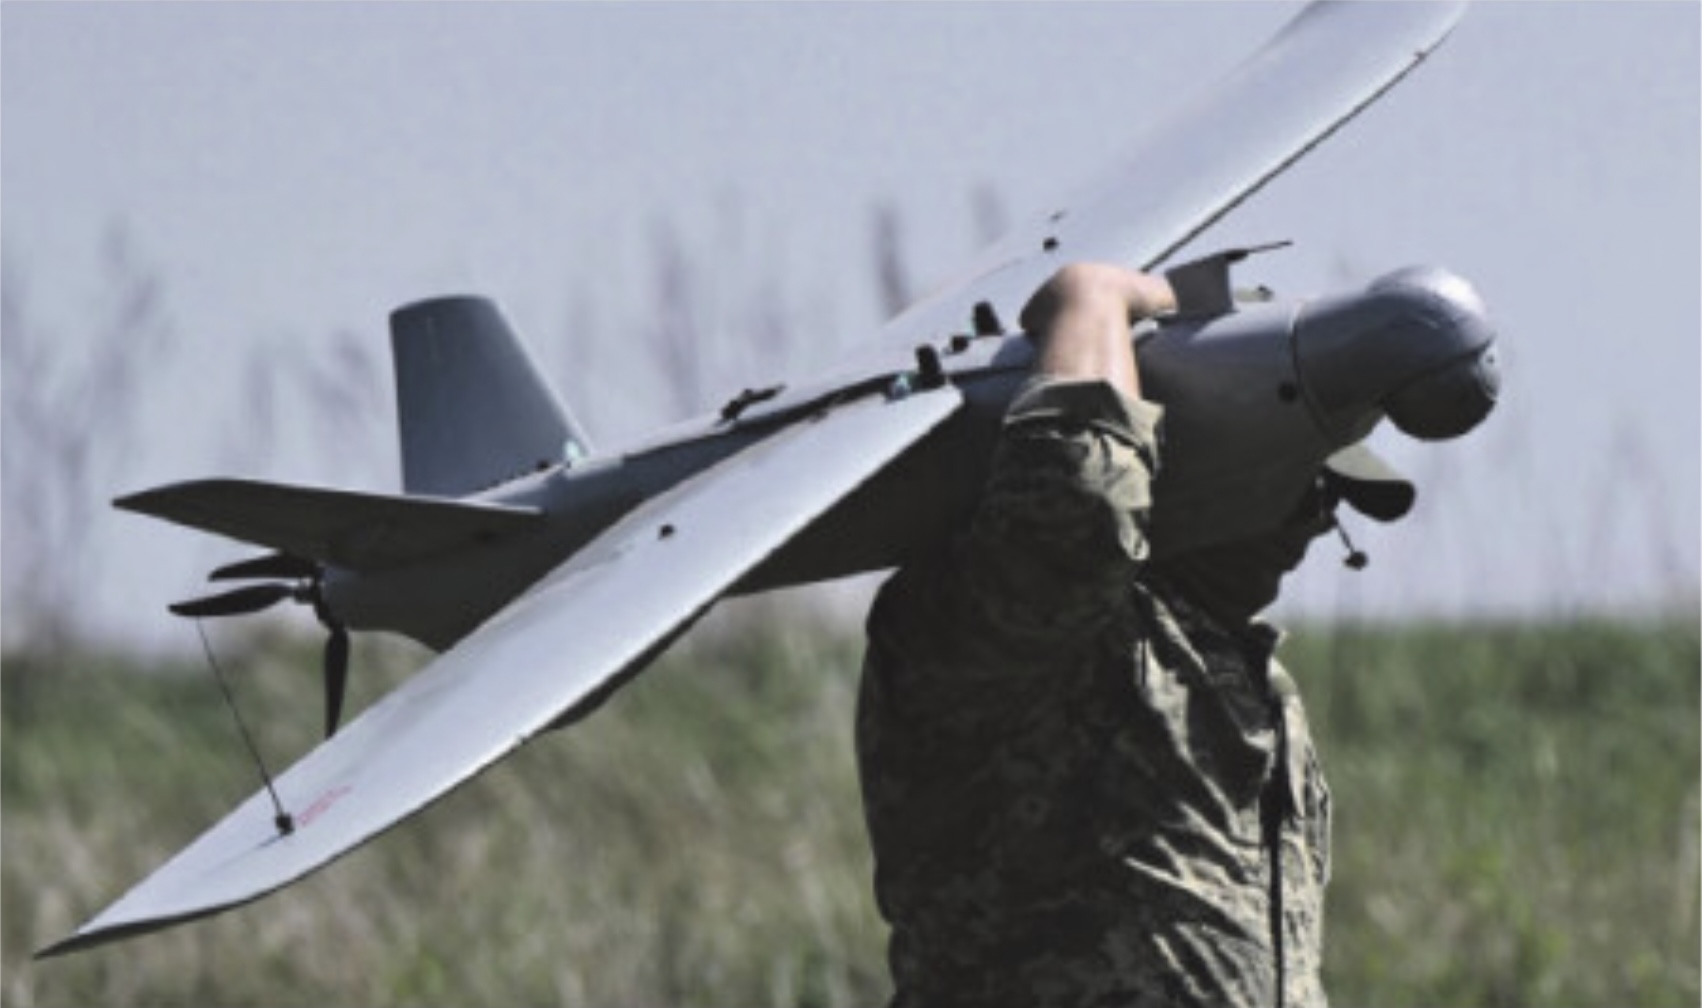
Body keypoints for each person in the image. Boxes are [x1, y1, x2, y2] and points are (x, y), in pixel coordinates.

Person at [857, 263, 1337, 1007]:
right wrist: (1095, 299)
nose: (1316, 522)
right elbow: (1076, 516)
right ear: (1182, 462)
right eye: (1300, 486)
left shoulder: (1245, 684)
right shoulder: (1008, 630)